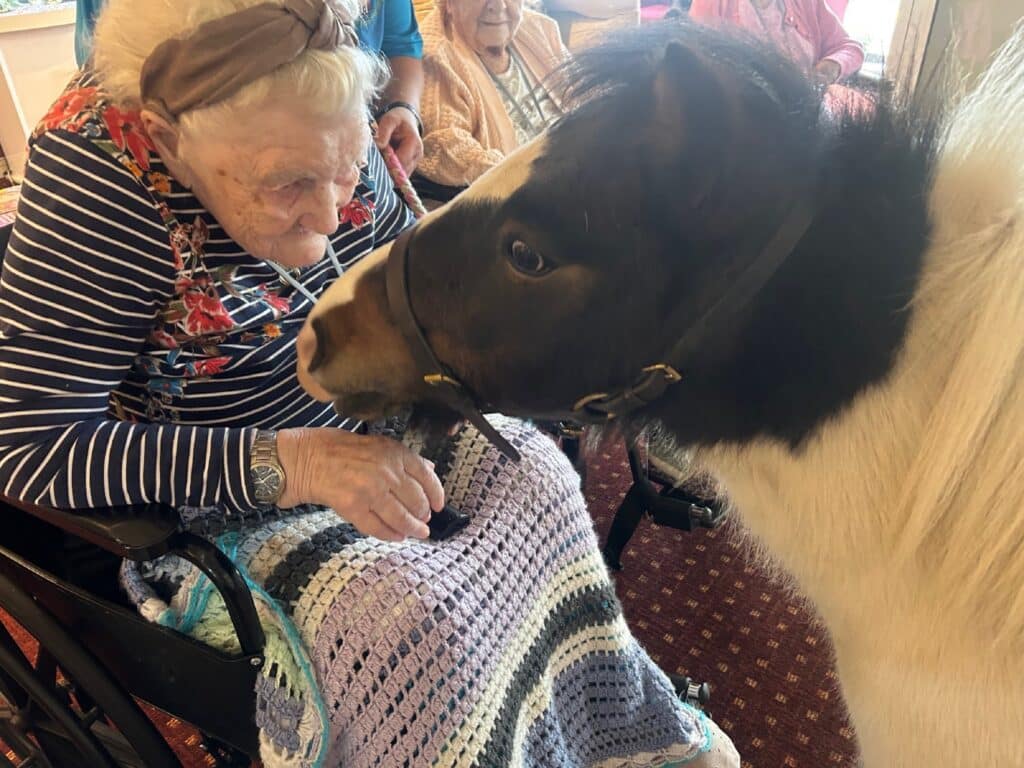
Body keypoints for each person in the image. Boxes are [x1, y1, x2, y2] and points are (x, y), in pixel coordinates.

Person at [0, 0, 739, 765]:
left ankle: (601, 731)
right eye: (287, 185)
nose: (328, 216)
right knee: (416, 626)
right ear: (166, 138)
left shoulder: (320, 82)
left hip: (369, 414)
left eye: (346, 171)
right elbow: (25, 446)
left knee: (539, 477)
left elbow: (398, 259)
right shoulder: (98, 174)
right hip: (211, 499)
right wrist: (298, 463)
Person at [74, 0, 426, 172]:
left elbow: (402, 42)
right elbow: (118, 68)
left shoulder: (344, 135)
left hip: (345, 140)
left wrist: (402, 107)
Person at [417, 0, 570, 188]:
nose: (498, 6)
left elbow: (584, 94)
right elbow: (445, 147)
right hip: (525, 195)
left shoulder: (540, 28)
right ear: (449, 3)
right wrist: (528, 176)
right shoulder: (434, 59)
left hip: (577, 170)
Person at [689, 0, 864, 89]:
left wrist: (827, 70)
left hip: (807, 120)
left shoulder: (807, 3)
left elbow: (849, 48)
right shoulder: (712, 4)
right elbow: (695, 70)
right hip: (742, 126)